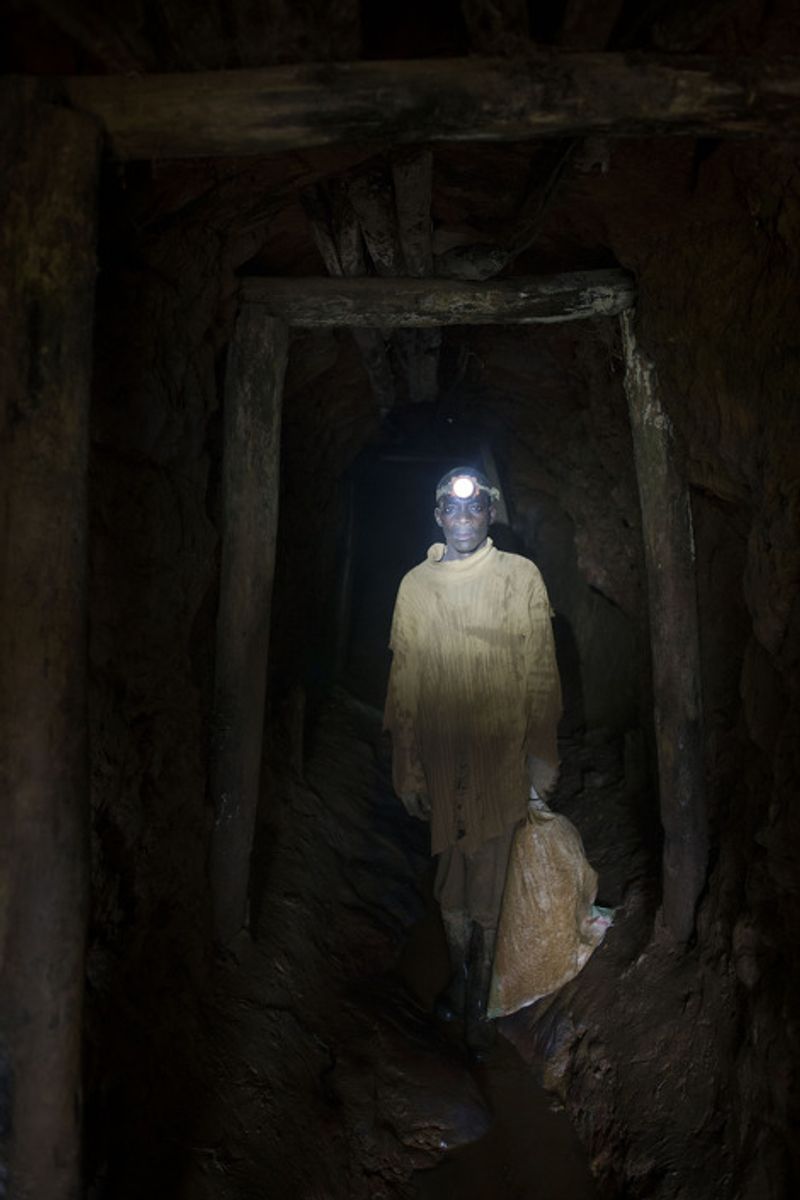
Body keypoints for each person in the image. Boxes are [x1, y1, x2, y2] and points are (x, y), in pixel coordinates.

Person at [384, 466, 562, 1054]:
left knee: (489, 885)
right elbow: (404, 682)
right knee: (451, 884)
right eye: (452, 509)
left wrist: (541, 758)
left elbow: (540, 674)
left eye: (475, 507)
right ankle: (462, 983)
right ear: (438, 516)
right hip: (441, 761)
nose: (464, 518)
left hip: (498, 758)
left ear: (490, 513)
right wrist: (406, 766)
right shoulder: (416, 586)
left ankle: (480, 1009)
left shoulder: (519, 577)